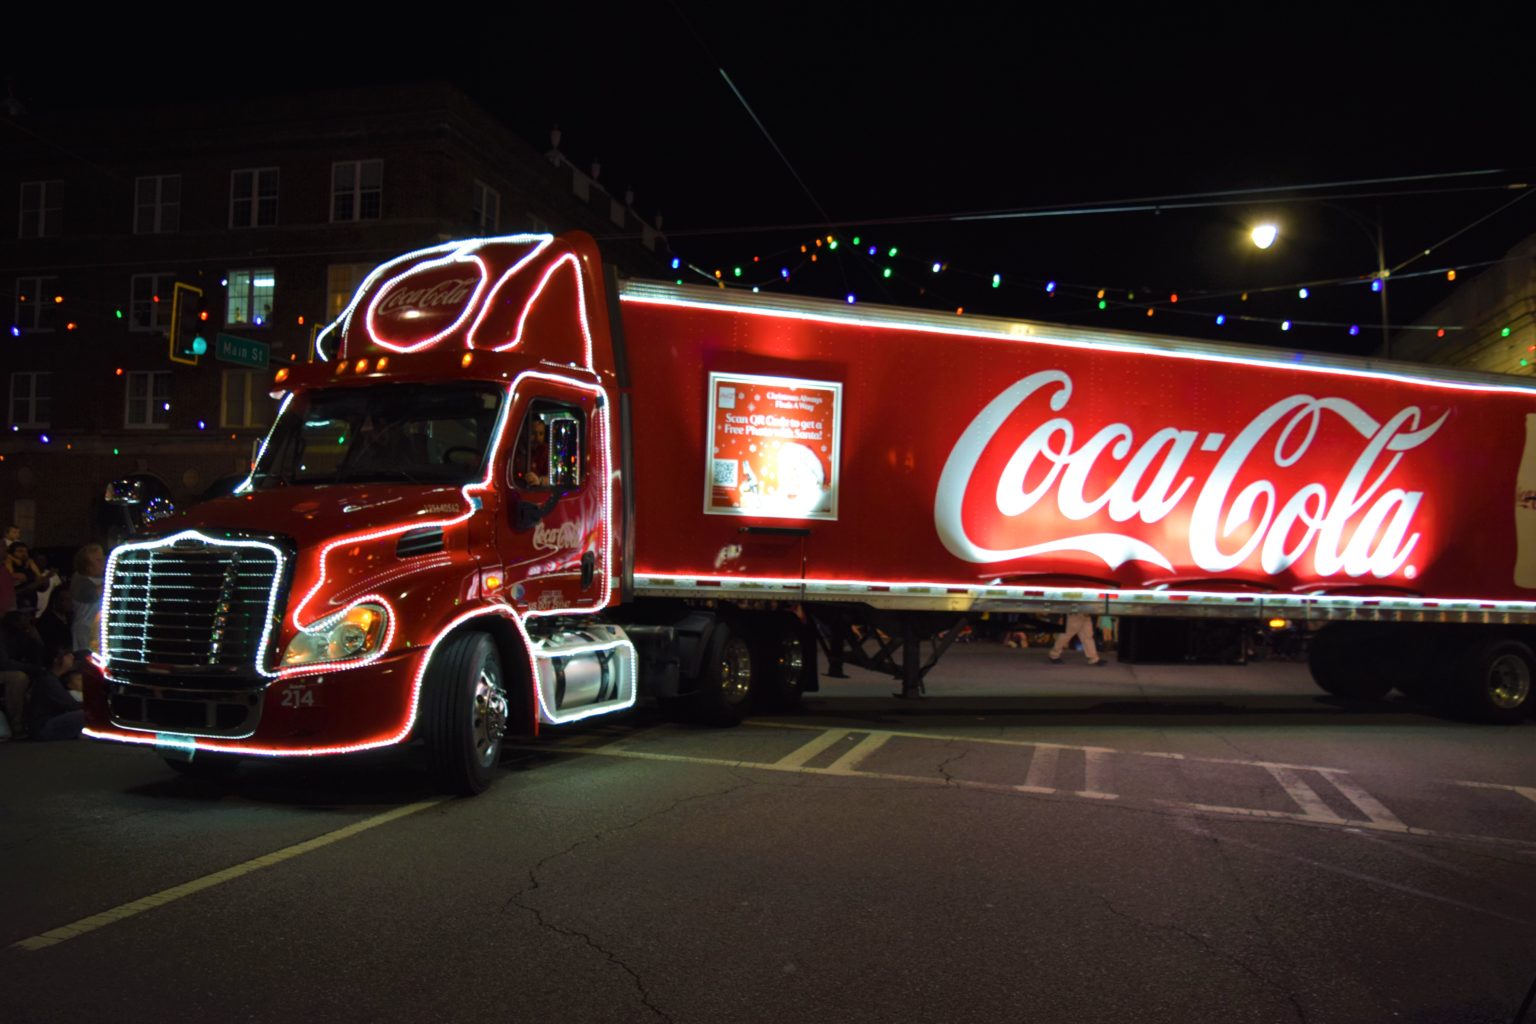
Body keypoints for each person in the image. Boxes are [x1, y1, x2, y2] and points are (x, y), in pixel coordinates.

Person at [26, 647, 83, 741]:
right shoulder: (48, 681)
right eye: (66, 655)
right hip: (43, 728)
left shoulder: (52, 678)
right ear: (56, 660)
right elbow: (71, 705)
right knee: (85, 714)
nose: (72, 657)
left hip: (48, 723)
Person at [70, 544, 106, 655]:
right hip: (85, 630)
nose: (103, 563)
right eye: (98, 560)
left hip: (100, 629)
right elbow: (92, 595)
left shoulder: (101, 579)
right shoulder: (79, 580)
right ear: (87, 565)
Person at [7, 541, 53, 615]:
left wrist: (44, 580)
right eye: (20, 551)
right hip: (15, 605)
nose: (24, 554)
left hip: (31, 603)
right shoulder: (9, 564)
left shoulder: (30, 564)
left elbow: (40, 581)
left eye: (26, 551)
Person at [516, 416, 550, 487]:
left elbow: (554, 478)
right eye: (533, 433)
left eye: (541, 433)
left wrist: (539, 480)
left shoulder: (547, 451)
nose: (537, 438)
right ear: (524, 433)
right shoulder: (516, 450)